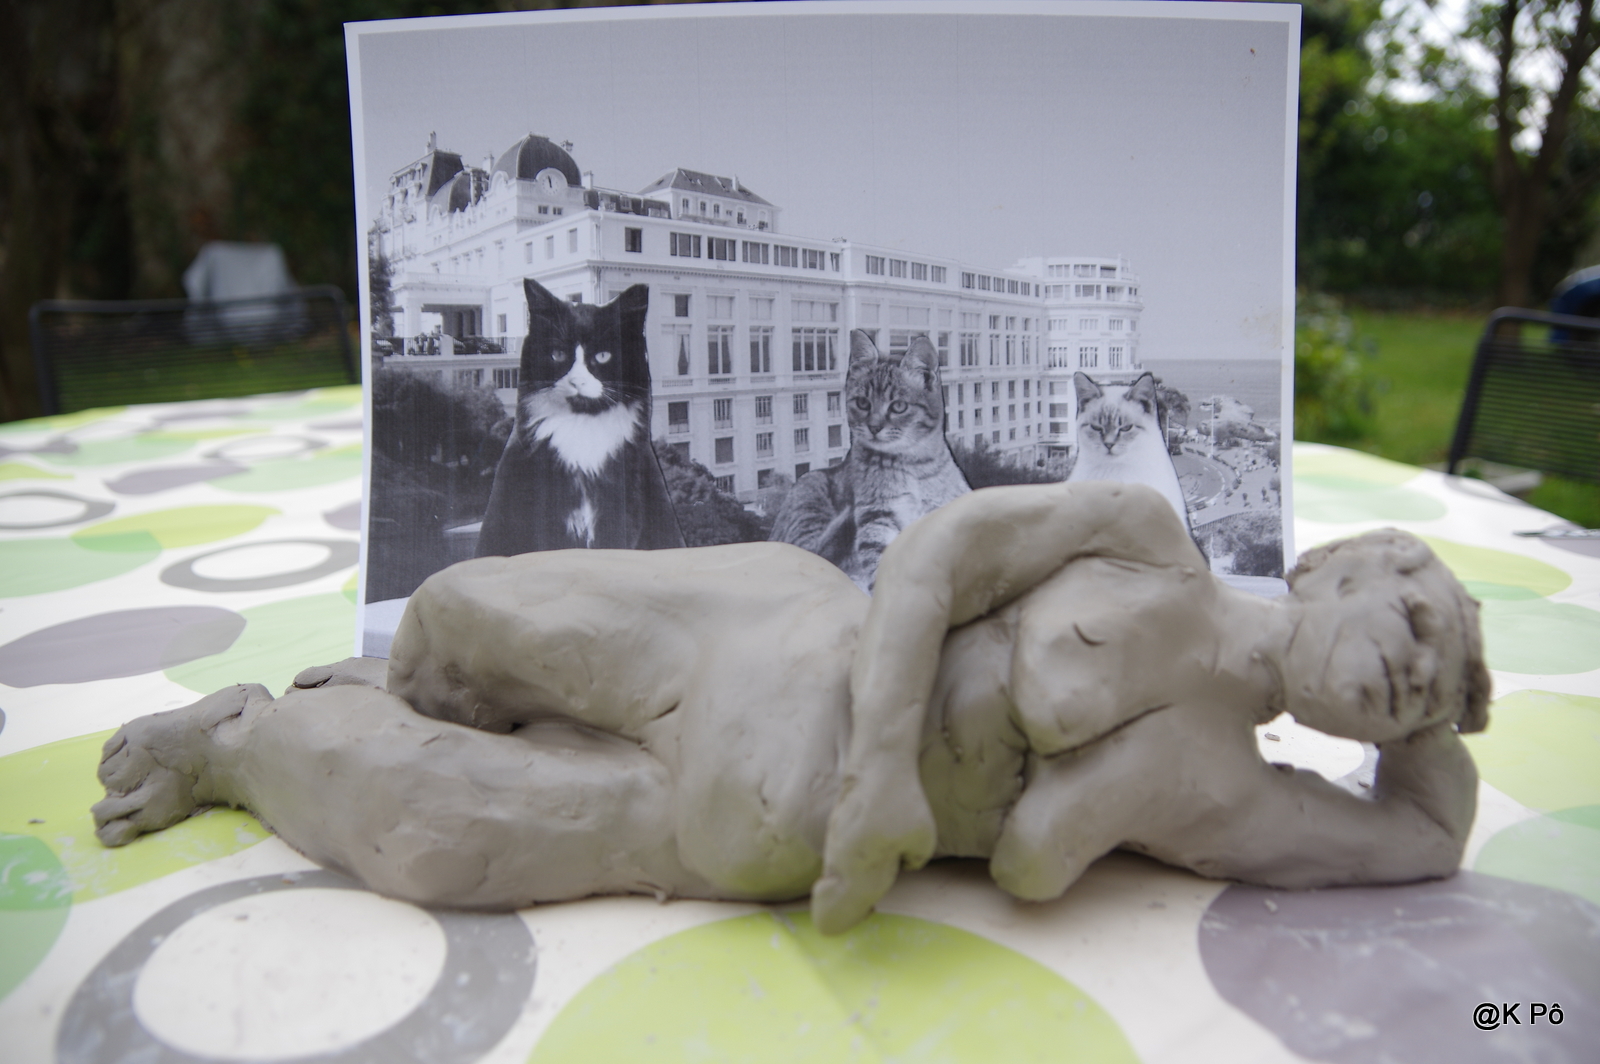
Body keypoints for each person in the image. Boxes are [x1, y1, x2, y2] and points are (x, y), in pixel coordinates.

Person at [92, 482, 1490, 933]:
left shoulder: (1226, 792)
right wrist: (884, 767)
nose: (1416, 674)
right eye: (1418, 621)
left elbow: (1424, 842)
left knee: (428, 839)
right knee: (456, 621)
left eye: (1428, 692)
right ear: (1335, 562)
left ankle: (238, 745)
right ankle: (359, 689)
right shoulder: (1142, 537)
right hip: (759, 636)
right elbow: (934, 556)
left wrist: (1439, 720)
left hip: (732, 831)